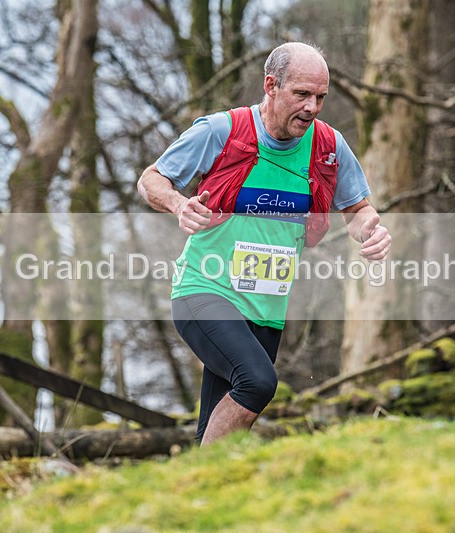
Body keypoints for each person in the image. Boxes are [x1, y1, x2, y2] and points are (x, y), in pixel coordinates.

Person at [138, 42, 391, 445]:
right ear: (271, 86)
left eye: (320, 97)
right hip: (205, 289)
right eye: (302, 94)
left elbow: (359, 209)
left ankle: (203, 492)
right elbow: (152, 178)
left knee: (220, 419)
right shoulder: (222, 130)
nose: (312, 107)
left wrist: (370, 232)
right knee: (257, 382)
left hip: (267, 307)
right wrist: (179, 204)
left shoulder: (328, 147)